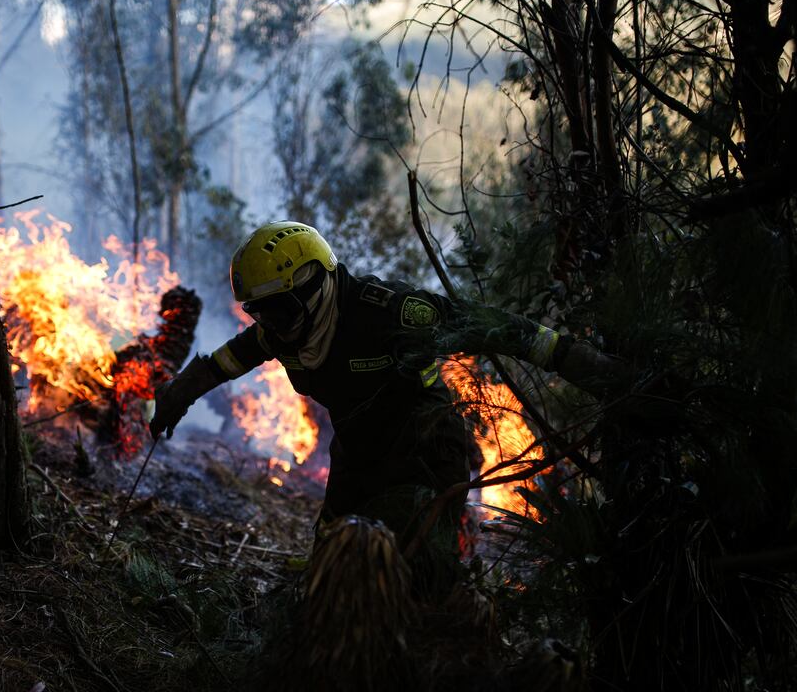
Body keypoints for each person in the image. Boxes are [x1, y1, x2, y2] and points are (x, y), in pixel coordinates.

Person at [150, 221, 626, 593]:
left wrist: (581, 363)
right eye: (260, 312)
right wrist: (179, 393)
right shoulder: (281, 328)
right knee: (332, 564)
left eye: (280, 310)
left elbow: (494, 327)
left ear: (316, 283)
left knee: (415, 573)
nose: (271, 324)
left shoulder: (392, 312)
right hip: (357, 455)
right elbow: (226, 361)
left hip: (427, 453)